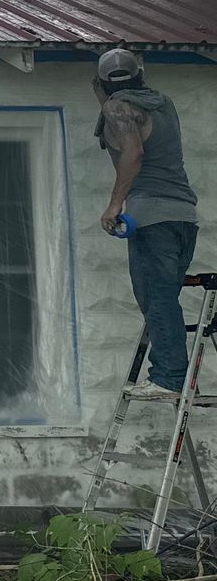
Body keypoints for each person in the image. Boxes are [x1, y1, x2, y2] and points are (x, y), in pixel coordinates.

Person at [95, 48, 201, 398]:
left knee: (156, 297)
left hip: (150, 217)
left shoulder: (117, 108)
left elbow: (134, 151)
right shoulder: (162, 103)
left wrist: (114, 204)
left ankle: (169, 378)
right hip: (183, 216)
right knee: (165, 295)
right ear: (140, 74)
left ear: (104, 82)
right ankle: (171, 373)